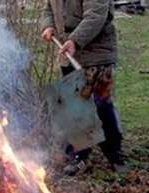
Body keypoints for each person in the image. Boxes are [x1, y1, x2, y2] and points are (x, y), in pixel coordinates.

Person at [41, 0, 125, 175]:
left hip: (96, 55)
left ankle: (115, 156)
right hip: (68, 53)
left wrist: (75, 41)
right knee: (74, 108)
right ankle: (80, 157)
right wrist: (48, 25)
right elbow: (48, 8)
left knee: (102, 107)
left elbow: (95, 16)